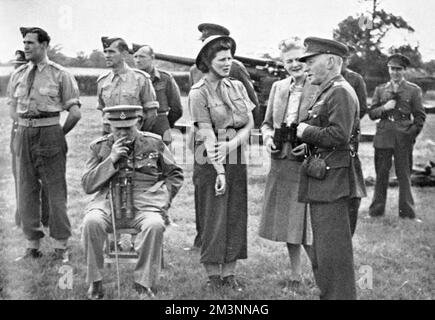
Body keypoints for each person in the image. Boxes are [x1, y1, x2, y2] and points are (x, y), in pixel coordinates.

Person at [81, 105, 183, 300]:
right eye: (117, 128)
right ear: (108, 125)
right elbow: (87, 185)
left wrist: (163, 201)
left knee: (154, 224)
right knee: (91, 222)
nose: (122, 132)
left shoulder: (154, 143)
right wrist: (110, 160)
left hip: (145, 202)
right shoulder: (99, 146)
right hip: (108, 201)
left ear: (138, 121)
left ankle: (143, 283)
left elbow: (175, 174)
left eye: (128, 128)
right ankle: (95, 282)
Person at [296, 37, 366, 299]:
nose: (306, 68)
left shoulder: (339, 91)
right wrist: (307, 146)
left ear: (332, 61)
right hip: (327, 180)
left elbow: (339, 135)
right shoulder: (329, 90)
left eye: (311, 62)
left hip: (335, 184)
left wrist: (306, 131)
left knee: (334, 257)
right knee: (326, 254)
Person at [7, 27, 82, 259]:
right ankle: (32, 245)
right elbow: (11, 105)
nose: (26, 46)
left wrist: (58, 133)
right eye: (24, 42)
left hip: (49, 133)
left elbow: (75, 113)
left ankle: (60, 246)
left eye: (31, 42)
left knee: (55, 190)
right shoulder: (18, 74)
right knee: (25, 189)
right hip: (23, 134)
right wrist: (22, 125)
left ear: (44, 45)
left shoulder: (60, 74)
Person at [189, 35, 255, 290]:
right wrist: (220, 171)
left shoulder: (237, 86)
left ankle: (229, 274)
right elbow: (205, 134)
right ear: (208, 61)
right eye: (221, 59)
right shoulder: (198, 92)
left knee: (235, 213)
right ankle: (213, 277)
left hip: (234, 149)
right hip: (208, 154)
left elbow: (249, 122)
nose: (228, 63)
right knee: (212, 214)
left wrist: (232, 145)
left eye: (230, 58)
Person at [258, 38, 317, 288]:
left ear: (307, 60)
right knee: (287, 221)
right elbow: (266, 123)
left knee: (306, 222)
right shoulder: (278, 87)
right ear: (283, 64)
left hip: (307, 161)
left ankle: (322, 273)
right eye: (289, 61)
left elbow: (327, 127)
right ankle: (295, 274)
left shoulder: (319, 86)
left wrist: (311, 145)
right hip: (281, 160)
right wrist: (268, 137)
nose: (295, 65)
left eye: (298, 59)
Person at [368, 53, 426, 221]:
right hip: (384, 136)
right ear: (388, 70)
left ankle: (407, 214)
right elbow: (372, 113)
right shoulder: (380, 90)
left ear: (404, 70)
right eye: (392, 69)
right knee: (381, 175)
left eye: (398, 69)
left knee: (404, 175)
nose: (395, 72)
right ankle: (376, 212)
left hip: (403, 136)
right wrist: (384, 108)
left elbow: (420, 116)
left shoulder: (413, 90)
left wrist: (411, 134)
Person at [97, 37, 159, 135]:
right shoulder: (102, 81)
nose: (107, 56)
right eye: (105, 52)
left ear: (124, 54)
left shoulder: (140, 79)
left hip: (135, 137)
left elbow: (151, 113)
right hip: (110, 138)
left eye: (112, 52)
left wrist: (139, 135)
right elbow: (103, 111)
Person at [341, 45, 368, 236]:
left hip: (350, 137)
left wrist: (349, 121)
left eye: (345, 58)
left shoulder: (355, 79)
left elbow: (363, 107)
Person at [132, 44, 183, 145]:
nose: (138, 60)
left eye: (142, 57)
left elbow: (176, 109)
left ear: (152, 58)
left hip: (159, 128)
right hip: (136, 127)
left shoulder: (165, 78)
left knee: (164, 159)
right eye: (135, 57)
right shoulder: (130, 79)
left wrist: (164, 123)